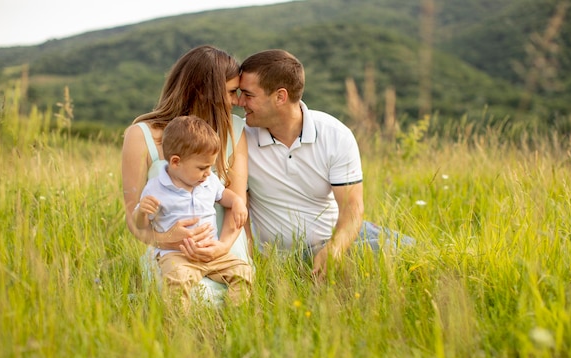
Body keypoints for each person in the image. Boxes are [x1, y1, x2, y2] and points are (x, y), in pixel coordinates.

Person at [238, 49, 414, 280]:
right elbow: (240, 211)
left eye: (248, 95)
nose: (239, 101)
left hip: (340, 238)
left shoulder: (335, 134)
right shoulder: (240, 139)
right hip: (288, 256)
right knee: (378, 259)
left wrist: (334, 248)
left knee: (417, 255)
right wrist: (250, 263)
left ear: (280, 97)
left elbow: (352, 208)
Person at [122, 45, 249, 300]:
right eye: (230, 92)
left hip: (222, 245)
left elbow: (237, 203)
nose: (237, 101)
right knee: (189, 300)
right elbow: (132, 214)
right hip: (169, 252)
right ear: (204, 91)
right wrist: (167, 239)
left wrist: (220, 247)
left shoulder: (234, 129)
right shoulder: (140, 135)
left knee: (235, 295)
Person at [134, 115, 252, 309]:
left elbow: (224, 195)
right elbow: (141, 225)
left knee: (243, 271)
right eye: (202, 168)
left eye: (210, 167)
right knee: (176, 282)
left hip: (211, 252)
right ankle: (179, 327)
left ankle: (234, 315)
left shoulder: (208, 181)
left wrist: (238, 202)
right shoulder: (156, 188)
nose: (208, 173)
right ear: (175, 162)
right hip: (177, 255)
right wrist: (141, 212)